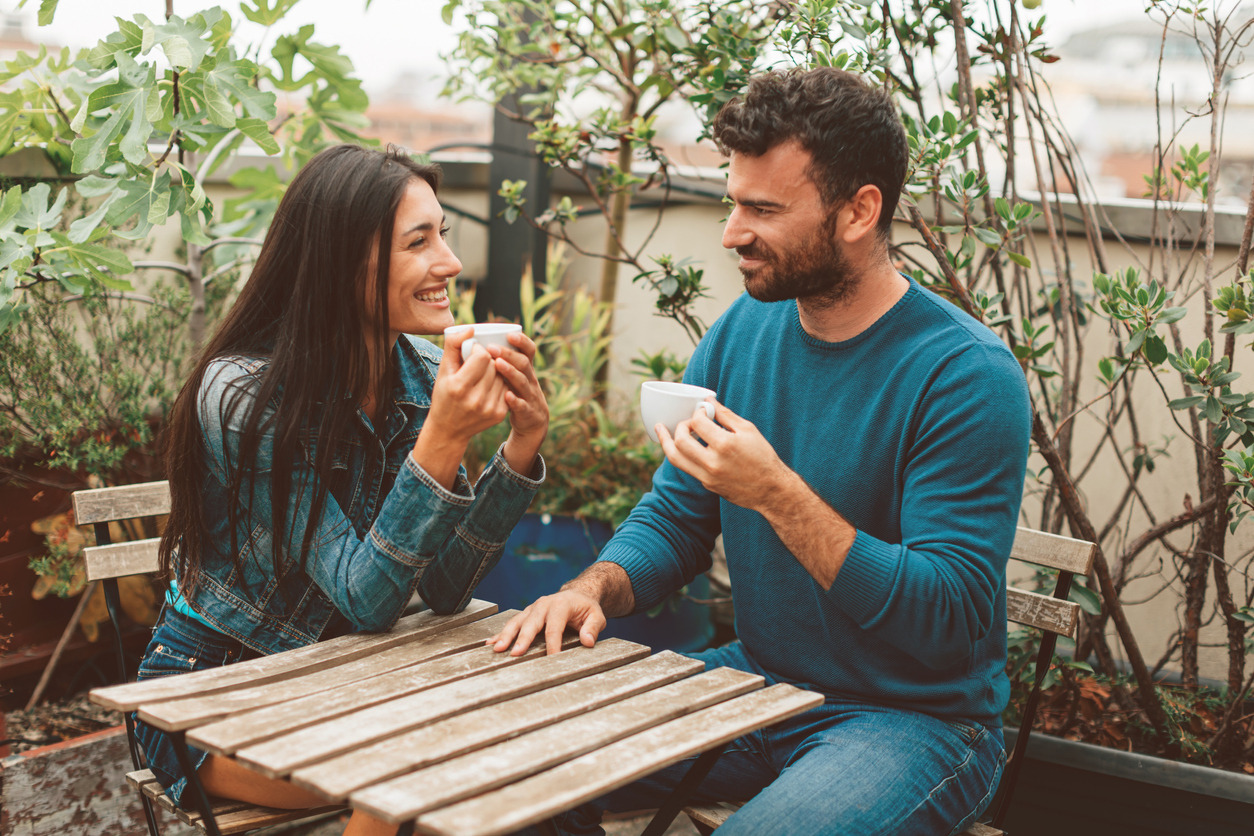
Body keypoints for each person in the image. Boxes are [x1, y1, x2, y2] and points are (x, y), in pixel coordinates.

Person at [490, 67, 1031, 836]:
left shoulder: (963, 376)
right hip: (758, 684)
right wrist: (595, 589)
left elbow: (946, 616)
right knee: (508, 763)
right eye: (733, 202)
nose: (731, 232)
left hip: (914, 722)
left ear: (859, 210)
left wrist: (777, 493)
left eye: (762, 209)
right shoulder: (743, 333)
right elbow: (678, 518)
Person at [136, 144, 548, 836]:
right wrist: (442, 441)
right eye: (420, 242)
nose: (448, 262)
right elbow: (365, 599)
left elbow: (445, 593)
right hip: (211, 698)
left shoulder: (418, 375)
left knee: (513, 755)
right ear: (338, 262)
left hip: (346, 686)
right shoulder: (240, 395)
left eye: (442, 235)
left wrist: (518, 453)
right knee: (408, 784)